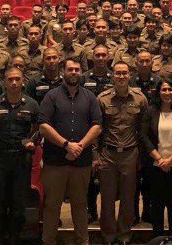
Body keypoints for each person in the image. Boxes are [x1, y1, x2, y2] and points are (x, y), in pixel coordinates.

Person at [37, 58, 104, 245]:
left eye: (76, 69)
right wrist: (67, 145)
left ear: (81, 72)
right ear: (63, 72)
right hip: (55, 162)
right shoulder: (51, 96)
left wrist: (79, 146)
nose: (73, 72)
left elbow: (97, 125)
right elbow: (43, 125)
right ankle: (48, 241)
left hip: (81, 162)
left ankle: (83, 242)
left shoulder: (90, 97)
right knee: (51, 206)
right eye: (70, 69)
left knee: (80, 206)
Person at [0, 68, 41, 245]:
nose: (14, 83)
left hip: (21, 160)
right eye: (10, 80)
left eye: (17, 79)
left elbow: (38, 131)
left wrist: (33, 142)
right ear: (4, 82)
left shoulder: (32, 104)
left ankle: (15, 239)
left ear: (23, 81)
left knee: (18, 206)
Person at [96, 62, 150, 245]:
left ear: (129, 75)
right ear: (113, 76)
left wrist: (142, 157)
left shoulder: (140, 99)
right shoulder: (102, 99)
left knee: (128, 198)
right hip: (108, 153)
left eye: (124, 73)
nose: (120, 76)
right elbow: (97, 129)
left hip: (130, 153)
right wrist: (96, 156)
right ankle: (109, 237)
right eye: (117, 73)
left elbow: (144, 130)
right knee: (108, 198)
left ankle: (124, 236)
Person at [141, 80, 172, 238]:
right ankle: (158, 239)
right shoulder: (150, 111)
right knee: (156, 205)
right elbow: (143, 136)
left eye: (170, 89)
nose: (167, 92)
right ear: (158, 92)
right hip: (155, 165)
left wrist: (171, 158)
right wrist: (159, 158)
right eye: (164, 90)